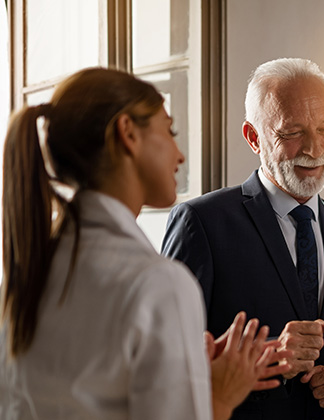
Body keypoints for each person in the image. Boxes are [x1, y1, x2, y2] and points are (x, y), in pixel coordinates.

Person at [0, 68, 292, 420]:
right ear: (127, 133)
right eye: (169, 131)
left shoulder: (21, 279)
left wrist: (186, 371)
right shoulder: (158, 285)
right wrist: (220, 398)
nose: (179, 155)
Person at [161, 58, 324, 419]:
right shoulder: (201, 223)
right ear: (254, 138)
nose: (315, 149)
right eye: (292, 132)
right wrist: (271, 354)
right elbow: (165, 357)